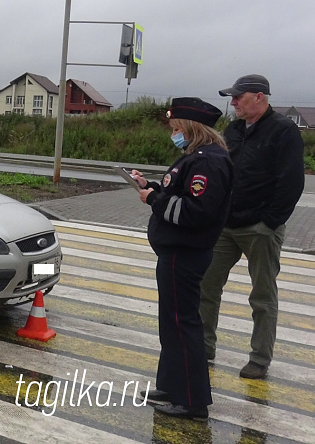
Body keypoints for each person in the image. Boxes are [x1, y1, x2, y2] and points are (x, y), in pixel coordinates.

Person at [131, 97, 233, 421]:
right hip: (177, 252)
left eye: (176, 128)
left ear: (190, 128)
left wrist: (154, 201)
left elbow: (194, 211)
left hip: (184, 253)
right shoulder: (196, 157)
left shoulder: (207, 161)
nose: (173, 133)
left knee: (183, 325)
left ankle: (192, 401)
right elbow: (176, 194)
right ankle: (171, 385)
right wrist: (149, 187)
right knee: (171, 325)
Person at [199, 74, 305, 379]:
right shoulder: (233, 129)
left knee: (262, 295)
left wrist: (270, 221)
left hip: (260, 228)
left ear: (259, 97)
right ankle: (204, 347)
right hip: (226, 225)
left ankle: (259, 358)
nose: (232, 103)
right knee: (206, 285)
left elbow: (291, 182)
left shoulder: (283, 131)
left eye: (238, 97)